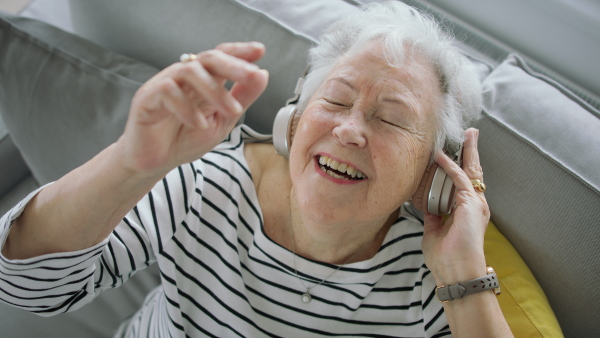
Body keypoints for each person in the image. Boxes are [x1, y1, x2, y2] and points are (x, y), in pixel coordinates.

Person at [0, 2, 512, 337]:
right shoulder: (208, 181)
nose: (352, 130)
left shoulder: (436, 280)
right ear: (295, 120)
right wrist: (131, 162)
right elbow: (27, 286)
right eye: (335, 100)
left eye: (391, 119)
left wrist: (461, 270)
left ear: (432, 175)